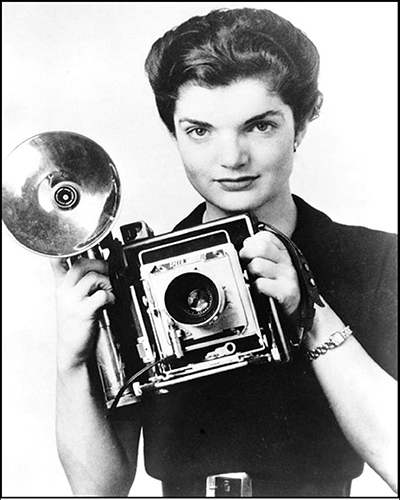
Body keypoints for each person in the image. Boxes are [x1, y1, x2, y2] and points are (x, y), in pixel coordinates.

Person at [50, 7, 397, 497]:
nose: (231, 158)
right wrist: (71, 360)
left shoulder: (377, 260)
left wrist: (312, 313)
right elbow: (98, 489)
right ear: (173, 132)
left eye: (260, 126)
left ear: (302, 123)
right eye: (200, 130)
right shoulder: (137, 273)